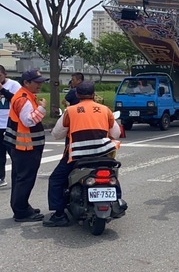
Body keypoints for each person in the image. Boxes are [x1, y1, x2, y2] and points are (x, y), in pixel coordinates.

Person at [45, 81, 122, 227]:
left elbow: (56, 134)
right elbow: (116, 133)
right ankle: (117, 201)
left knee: (55, 180)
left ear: (77, 94)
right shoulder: (105, 110)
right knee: (113, 177)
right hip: (102, 156)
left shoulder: (70, 111)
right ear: (93, 94)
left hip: (78, 157)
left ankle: (59, 215)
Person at [4, 68, 48, 222]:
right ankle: (21, 211)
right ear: (26, 82)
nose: (39, 85)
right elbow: (28, 121)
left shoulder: (24, 96)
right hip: (25, 146)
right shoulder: (24, 99)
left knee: (20, 178)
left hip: (21, 145)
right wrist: (42, 108)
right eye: (36, 82)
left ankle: (21, 206)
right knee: (25, 179)